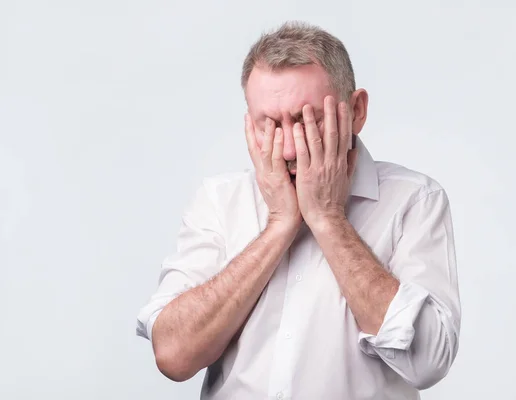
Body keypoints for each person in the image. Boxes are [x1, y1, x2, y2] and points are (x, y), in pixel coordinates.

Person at [136, 21, 461, 400]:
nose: (289, 150)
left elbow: (428, 362)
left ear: (356, 111)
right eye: (269, 125)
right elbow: (174, 357)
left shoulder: (414, 201)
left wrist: (327, 218)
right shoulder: (219, 200)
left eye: (308, 122)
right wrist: (279, 225)